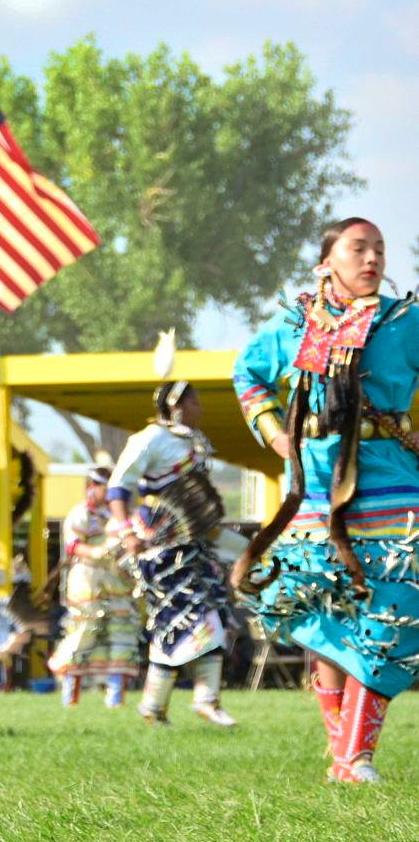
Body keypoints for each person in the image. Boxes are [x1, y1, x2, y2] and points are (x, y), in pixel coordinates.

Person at [233, 217, 419, 783]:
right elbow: (248, 374)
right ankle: (345, 752)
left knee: (393, 604)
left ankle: (356, 754)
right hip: (314, 485)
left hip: (389, 480)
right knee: (323, 605)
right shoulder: (294, 324)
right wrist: (273, 433)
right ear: (327, 259)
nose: (372, 259)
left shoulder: (403, 321)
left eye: (380, 250)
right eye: (358, 248)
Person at [109, 382, 238, 728]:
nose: (202, 408)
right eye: (196, 402)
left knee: (200, 616)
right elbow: (118, 486)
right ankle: (206, 700)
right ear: (176, 405)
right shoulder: (150, 438)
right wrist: (127, 532)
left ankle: (154, 707)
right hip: (160, 544)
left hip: (195, 542)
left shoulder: (195, 440)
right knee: (195, 612)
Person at [47, 465, 139, 707]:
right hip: (87, 578)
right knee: (84, 632)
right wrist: (97, 550)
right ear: (92, 487)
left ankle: (116, 699)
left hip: (117, 580)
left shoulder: (118, 515)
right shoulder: (80, 514)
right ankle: (70, 699)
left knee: (121, 634)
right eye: (105, 487)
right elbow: (73, 546)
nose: (109, 493)